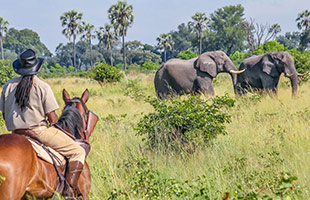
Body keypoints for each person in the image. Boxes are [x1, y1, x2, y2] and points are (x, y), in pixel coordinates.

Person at [0, 49, 85, 199]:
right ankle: (70, 192)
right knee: (78, 151)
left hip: (14, 133)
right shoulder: (42, 86)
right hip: (39, 132)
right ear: (36, 67)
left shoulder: (7, 87)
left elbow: (4, 114)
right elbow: (53, 119)